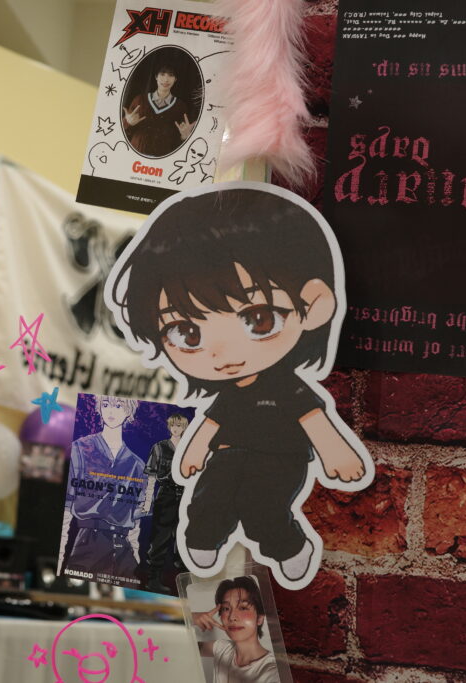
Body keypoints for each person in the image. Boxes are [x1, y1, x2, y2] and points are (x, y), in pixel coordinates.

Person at [108, 186, 369, 585]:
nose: (223, 353)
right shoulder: (229, 392)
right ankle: (202, 539)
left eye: (258, 319)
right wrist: (195, 450)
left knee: (262, 507)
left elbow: (313, 418)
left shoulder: (288, 386)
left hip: (280, 456)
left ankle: (289, 548)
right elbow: (212, 422)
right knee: (207, 498)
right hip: (228, 454)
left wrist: (335, 452)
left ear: (312, 305)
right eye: (187, 332)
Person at [59, 395, 147, 579]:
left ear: (129, 411)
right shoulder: (80, 449)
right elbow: (65, 512)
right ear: (99, 409)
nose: (111, 411)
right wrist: (59, 561)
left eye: (118, 406)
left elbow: (135, 524)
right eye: (106, 405)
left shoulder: (137, 465)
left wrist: (136, 560)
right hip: (88, 543)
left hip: (124, 550)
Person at [192, 576, 279, 683]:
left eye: (243, 608)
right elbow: (182, 647)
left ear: (260, 618)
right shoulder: (222, 648)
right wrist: (191, 617)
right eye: (226, 609)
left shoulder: (273, 672)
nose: (232, 617)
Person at [141, 412, 189, 592]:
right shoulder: (159, 447)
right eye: (173, 425)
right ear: (169, 426)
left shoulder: (189, 447)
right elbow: (151, 477)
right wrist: (147, 501)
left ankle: (185, 583)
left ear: (184, 427)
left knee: (184, 539)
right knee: (160, 539)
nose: (176, 429)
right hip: (166, 495)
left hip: (186, 496)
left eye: (179, 425)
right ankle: (153, 580)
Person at [122, 62, 196, 157]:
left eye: (171, 75)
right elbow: (123, 132)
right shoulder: (140, 100)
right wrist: (128, 123)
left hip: (162, 160)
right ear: (156, 77)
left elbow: (179, 141)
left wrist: (184, 137)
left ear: (175, 79)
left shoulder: (180, 106)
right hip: (136, 156)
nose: (166, 79)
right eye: (162, 74)